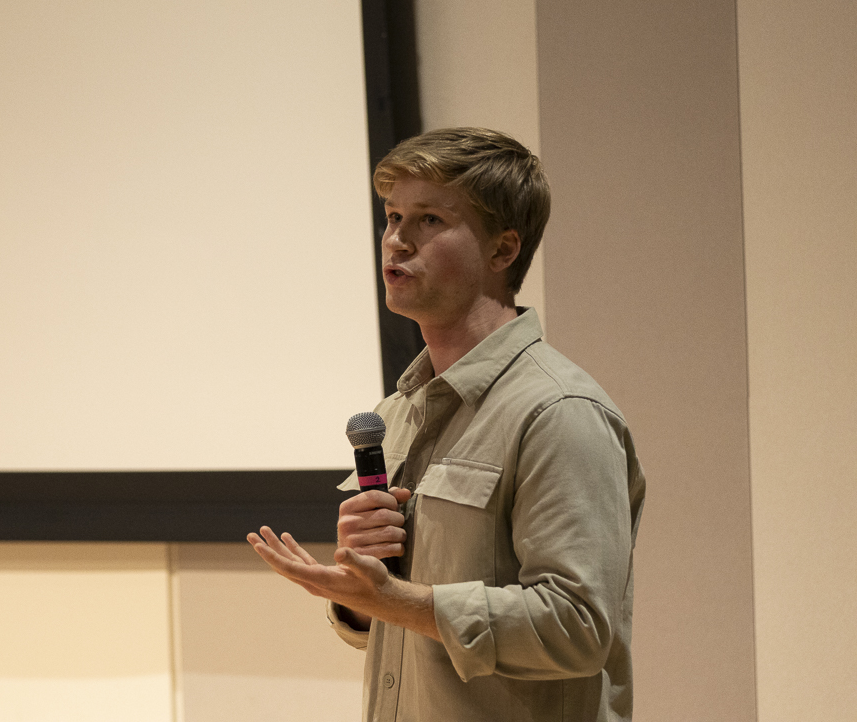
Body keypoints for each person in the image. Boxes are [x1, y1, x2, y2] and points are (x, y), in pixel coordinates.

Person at [248, 127, 645, 721]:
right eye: (392, 217)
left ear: (503, 250)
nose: (397, 242)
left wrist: (403, 601)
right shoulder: (396, 414)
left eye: (429, 220)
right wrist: (364, 593)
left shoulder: (559, 413)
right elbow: (396, 627)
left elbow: (579, 627)